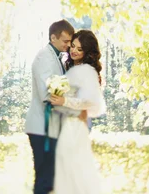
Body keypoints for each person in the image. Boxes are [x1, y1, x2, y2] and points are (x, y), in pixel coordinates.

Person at [25, 19, 84, 194]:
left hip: (51, 128)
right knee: (45, 178)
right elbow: (47, 94)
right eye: (66, 41)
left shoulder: (56, 57)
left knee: (51, 179)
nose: (69, 45)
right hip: (42, 128)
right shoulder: (44, 57)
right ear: (53, 37)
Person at [50, 30, 106, 194]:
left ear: (87, 52)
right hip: (66, 125)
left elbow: (91, 101)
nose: (73, 50)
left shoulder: (86, 71)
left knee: (74, 169)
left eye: (79, 49)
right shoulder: (73, 69)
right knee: (66, 169)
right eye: (73, 46)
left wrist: (64, 101)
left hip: (74, 127)